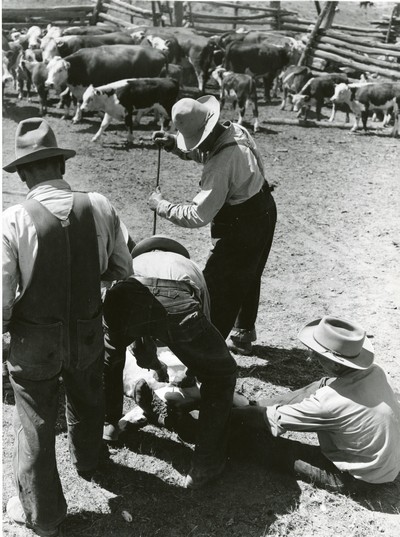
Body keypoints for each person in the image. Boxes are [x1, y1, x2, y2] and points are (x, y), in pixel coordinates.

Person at [2, 118, 133, 537]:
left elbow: (2, 296)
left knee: (37, 422)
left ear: (23, 173)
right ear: (60, 164)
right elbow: (121, 269)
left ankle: (45, 516)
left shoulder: (13, 220)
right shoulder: (99, 204)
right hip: (88, 332)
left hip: (35, 340)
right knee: (87, 396)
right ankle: (90, 460)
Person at [134, 315, 400, 492]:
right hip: (385, 466)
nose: (310, 358)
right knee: (320, 384)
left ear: (337, 361)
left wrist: (218, 407)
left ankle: (167, 418)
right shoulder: (373, 372)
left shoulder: (330, 403)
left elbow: (267, 420)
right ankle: (248, 402)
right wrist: (246, 403)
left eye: (317, 354)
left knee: (249, 440)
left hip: (354, 478)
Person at [102, 235, 237, 489]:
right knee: (222, 374)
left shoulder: (133, 263)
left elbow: (139, 344)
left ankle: (109, 424)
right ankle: (205, 464)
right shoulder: (190, 267)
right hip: (177, 298)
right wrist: (192, 371)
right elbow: (203, 326)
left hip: (123, 295)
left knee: (112, 357)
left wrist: (154, 365)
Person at [149, 95, 277, 355]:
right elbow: (209, 150)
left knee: (218, 287)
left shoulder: (221, 164)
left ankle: (210, 353)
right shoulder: (233, 130)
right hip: (262, 208)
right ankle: (243, 334)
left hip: (242, 224)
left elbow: (198, 214)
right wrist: (176, 146)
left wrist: (161, 205)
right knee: (249, 274)